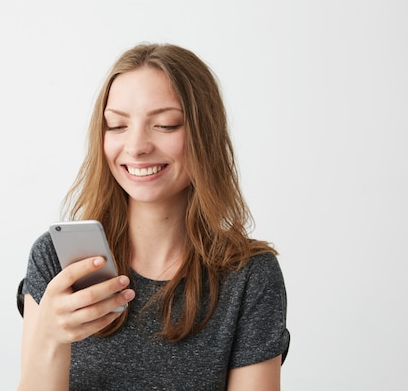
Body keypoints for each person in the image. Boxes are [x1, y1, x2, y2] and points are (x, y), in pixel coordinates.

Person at [17, 43, 290, 391]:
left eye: (164, 124)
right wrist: (51, 340)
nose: (136, 146)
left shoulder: (249, 276)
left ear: (205, 135)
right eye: (117, 126)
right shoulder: (56, 260)